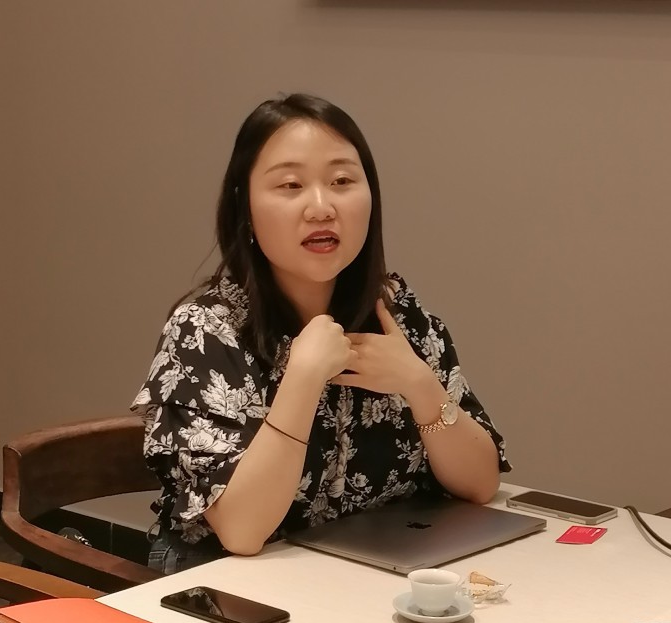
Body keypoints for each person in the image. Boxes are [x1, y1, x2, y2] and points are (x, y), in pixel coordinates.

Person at [131, 93, 512, 574]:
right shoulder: (206, 330)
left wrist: (419, 383)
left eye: (342, 181)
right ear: (245, 208)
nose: (321, 207)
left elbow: (479, 485)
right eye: (290, 185)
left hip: (365, 573)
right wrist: (304, 377)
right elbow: (243, 532)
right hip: (228, 585)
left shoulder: (395, 311)